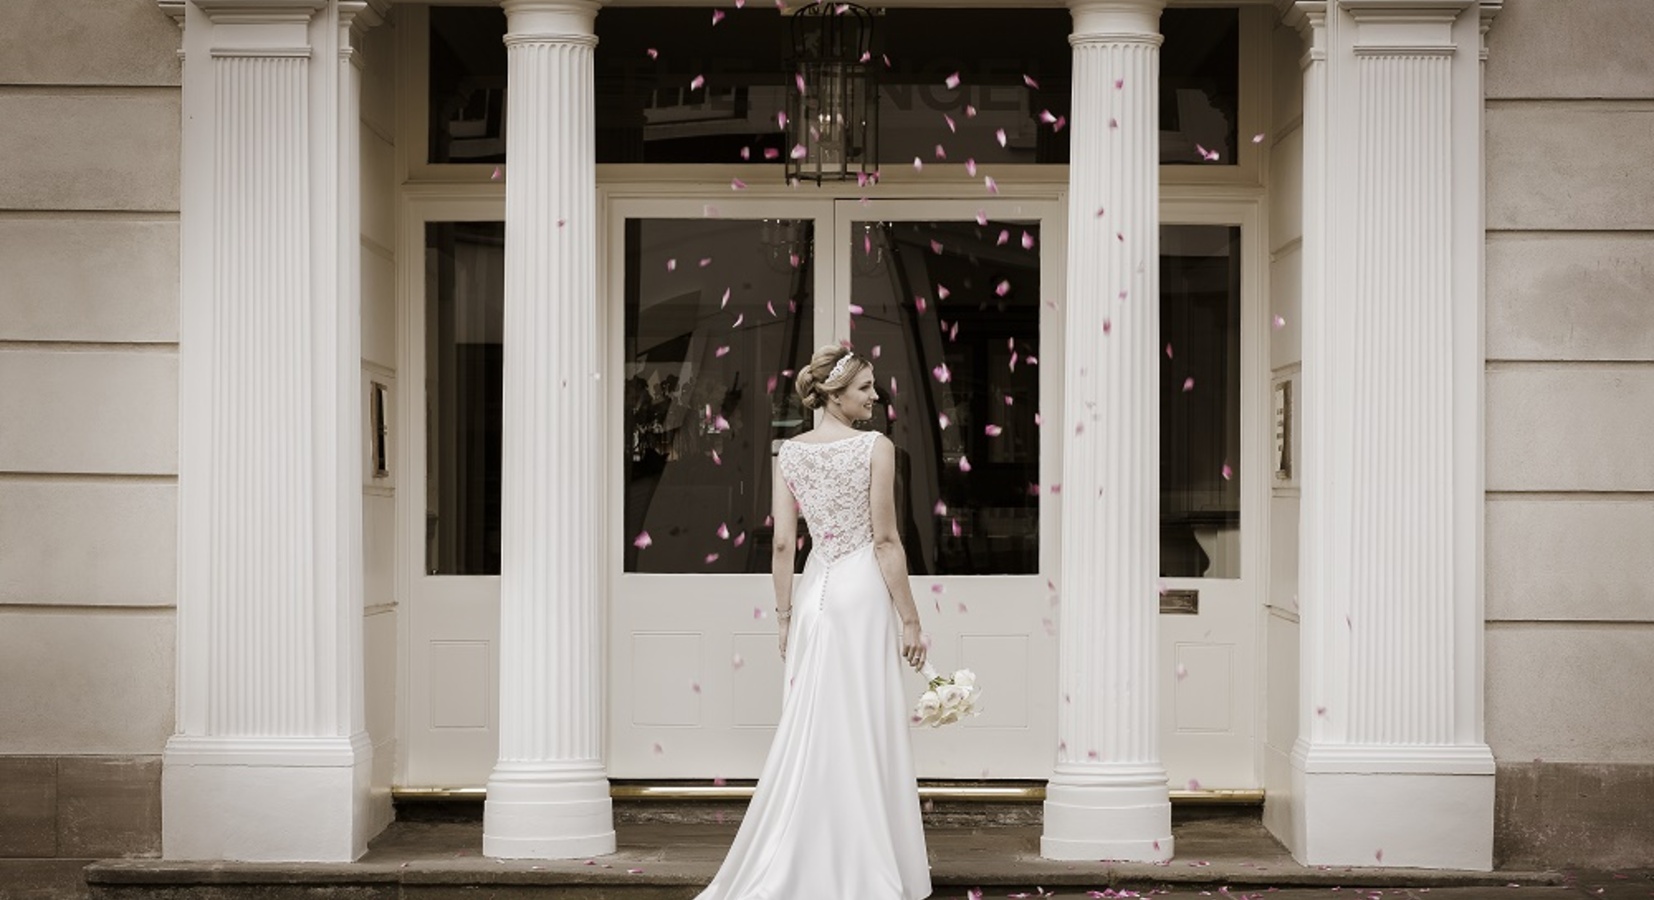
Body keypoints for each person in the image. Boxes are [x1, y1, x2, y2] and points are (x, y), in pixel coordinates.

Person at [692, 345, 933, 900]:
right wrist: (911, 619)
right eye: (866, 388)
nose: (876, 397)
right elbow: (887, 539)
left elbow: (782, 543)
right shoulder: (876, 447)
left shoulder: (790, 454)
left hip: (815, 590)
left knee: (815, 723)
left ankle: (807, 851)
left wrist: (783, 616)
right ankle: (866, 860)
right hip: (862, 591)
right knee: (863, 721)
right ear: (833, 393)